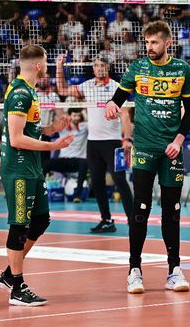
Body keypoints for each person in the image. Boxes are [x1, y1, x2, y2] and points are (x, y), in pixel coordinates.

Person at [105, 20, 190, 294]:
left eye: (154, 42)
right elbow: (118, 97)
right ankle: (134, 270)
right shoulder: (138, 68)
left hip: (171, 151)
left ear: (168, 43)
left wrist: (179, 140)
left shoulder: (182, 69)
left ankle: (174, 270)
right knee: (140, 209)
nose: (149, 47)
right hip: (144, 148)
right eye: (147, 42)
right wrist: (111, 104)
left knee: (172, 211)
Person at [0, 44, 74, 306]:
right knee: (20, 225)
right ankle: (17, 287)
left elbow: (30, 129)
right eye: (46, 61)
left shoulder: (30, 91)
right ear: (38, 65)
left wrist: (51, 129)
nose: (47, 66)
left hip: (32, 168)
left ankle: (8, 274)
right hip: (18, 169)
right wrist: (53, 146)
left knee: (40, 220)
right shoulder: (20, 93)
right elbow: (17, 139)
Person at [56, 56, 134, 232]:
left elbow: (125, 115)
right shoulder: (87, 86)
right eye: (96, 66)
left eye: (103, 65)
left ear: (108, 68)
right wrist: (60, 67)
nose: (99, 68)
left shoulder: (116, 87)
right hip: (93, 143)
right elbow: (62, 89)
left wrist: (127, 139)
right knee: (97, 182)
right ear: (93, 69)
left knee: (120, 180)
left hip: (113, 142)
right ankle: (107, 220)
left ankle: (133, 219)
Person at [42, 108, 89, 199]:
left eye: (79, 116)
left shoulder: (84, 127)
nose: (77, 118)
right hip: (64, 160)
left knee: (84, 163)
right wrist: (50, 114)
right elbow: (48, 133)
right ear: (69, 116)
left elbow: (91, 124)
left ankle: (78, 196)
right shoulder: (63, 128)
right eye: (74, 115)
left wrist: (84, 109)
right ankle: (40, 191)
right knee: (45, 164)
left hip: (78, 161)